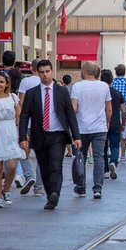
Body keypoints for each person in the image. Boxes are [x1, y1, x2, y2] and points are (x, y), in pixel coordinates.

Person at [18, 60, 81, 210]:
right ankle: (49, 196)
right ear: (37, 73)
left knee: (55, 165)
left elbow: (70, 114)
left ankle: (55, 193)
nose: (45, 75)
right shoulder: (32, 93)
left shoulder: (61, 91)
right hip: (39, 134)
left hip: (57, 135)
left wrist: (76, 136)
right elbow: (24, 115)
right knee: (44, 168)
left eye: (47, 71)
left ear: (52, 72)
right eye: (42, 72)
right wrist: (22, 137)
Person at [0, 72, 26, 208]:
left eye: (1, 82)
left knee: (12, 165)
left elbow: (19, 117)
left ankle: (6, 189)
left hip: (11, 131)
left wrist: (22, 135)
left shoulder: (13, 98)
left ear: (6, 83)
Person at [71, 62, 112, 199]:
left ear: (84, 71)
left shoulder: (77, 86)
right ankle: (98, 188)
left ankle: (81, 187)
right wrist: (107, 121)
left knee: (80, 157)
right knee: (99, 157)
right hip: (100, 127)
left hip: (82, 128)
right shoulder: (104, 86)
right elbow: (109, 108)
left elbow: (74, 108)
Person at [16, 58, 43, 196]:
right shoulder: (48, 82)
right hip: (43, 125)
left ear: (31, 69)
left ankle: (29, 175)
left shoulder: (26, 81)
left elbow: (20, 103)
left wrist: (20, 122)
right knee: (41, 157)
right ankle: (39, 188)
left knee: (23, 152)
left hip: (27, 123)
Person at [100, 69, 126, 180]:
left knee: (103, 148)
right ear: (112, 80)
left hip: (102, 123)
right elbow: (124, 111)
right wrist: (123, 123)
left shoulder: (100, 93)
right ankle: (114, 163)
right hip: (115, 123)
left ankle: (105, 170)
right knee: (115, 145)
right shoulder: (117, 93)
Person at [112, 64, 126, 162]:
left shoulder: (112, 83)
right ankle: (122, 156)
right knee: (123, 135)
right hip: (124, 112)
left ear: (116, 72)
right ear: (124, 72)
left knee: (112, 134)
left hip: (112, 112)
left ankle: (113, 154)